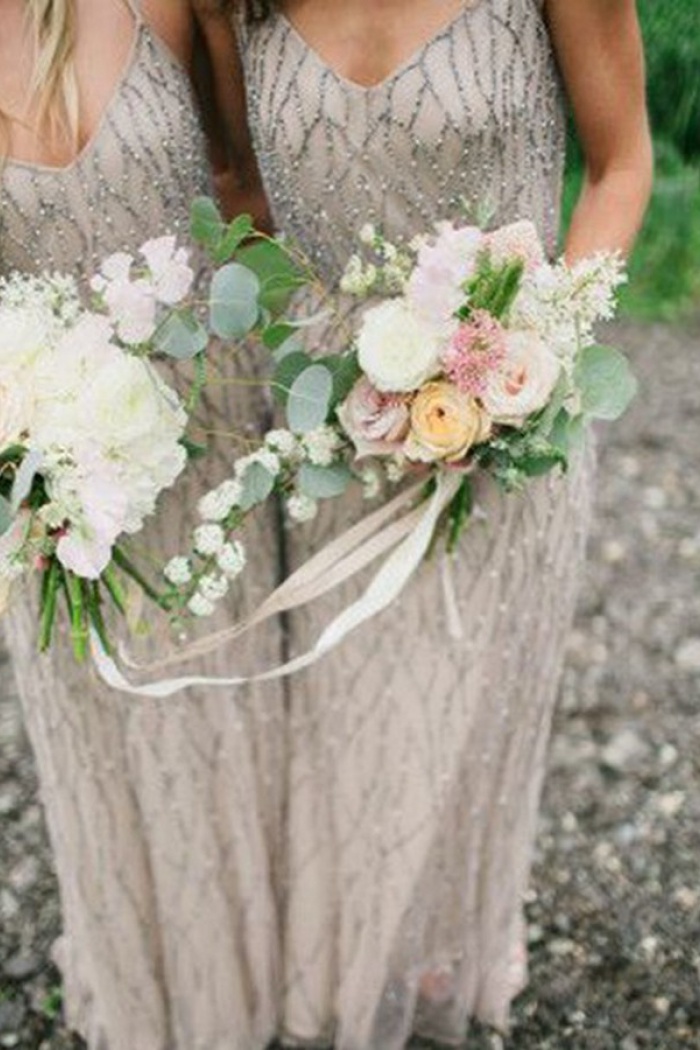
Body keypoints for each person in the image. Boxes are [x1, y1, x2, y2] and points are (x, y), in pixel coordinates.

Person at [217, 0, 650, 1047]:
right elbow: (246, 194)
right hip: (335, 438)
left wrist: (530, 356)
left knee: (460, 745)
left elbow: (621, 165)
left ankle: (433, 989)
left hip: (507, 432)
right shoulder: (235, 5)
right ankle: (341, 995)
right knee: (348, 747)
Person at [0, 3, 287, 1049]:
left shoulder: (169, 3)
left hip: (210, 439)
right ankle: (150, 990)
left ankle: (264, 986)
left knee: (230, 713)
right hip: (50, 491)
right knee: (105, 743)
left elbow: (248, 184)